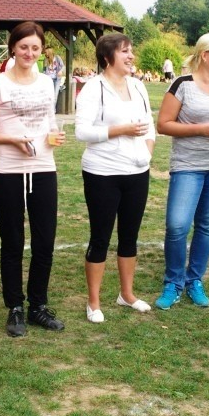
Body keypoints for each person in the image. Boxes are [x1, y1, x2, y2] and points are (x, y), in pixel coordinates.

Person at [0, 21, 67, 337]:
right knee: (12, 242)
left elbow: (50, 123)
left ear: (41, 51)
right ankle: (15, 308)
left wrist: (54, 137)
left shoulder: (46, 83)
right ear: (13, 47)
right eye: (23, 46)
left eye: (35, 48)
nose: (29, 52)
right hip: (7, 173)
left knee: (45, 241)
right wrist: (9, 140)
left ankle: (38, 305)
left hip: (43, 170)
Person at [154, 33, 209, 310]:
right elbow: (163, 124)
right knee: (178, 225)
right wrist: (200, 129)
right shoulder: (183, 84)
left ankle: (194, 280)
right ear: (205, 55)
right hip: (187, 167)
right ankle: (173, 282)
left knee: (206, 225)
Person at [74, 33, 156, 323]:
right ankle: (94, 302)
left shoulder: (138, 86)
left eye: (131, 51)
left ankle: (127, 294)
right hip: (102, 173)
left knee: (130, 236)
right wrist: (120, 130)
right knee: (100, 237)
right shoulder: (93, 88)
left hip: (137, 171)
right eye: (125, 52)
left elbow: (149, 126)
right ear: (108, 57)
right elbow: (81, 132)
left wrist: (147, 154)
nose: (131, 56)